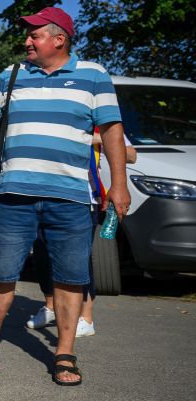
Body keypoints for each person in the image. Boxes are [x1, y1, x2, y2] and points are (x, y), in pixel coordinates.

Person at [0, 6, 130, 385]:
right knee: (1, 273)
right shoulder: (13, 74)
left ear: (59, 39)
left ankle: (64, 352)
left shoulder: (93, 75)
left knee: (71, 278)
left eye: (34, 35)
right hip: (14, 195)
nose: (27, 41)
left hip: (69, 198)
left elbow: (113, 131)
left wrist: (118, 183)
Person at [25, 131, 137, 338]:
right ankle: (50, 306)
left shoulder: (97, 123)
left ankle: (86, 317)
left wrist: (98, 139)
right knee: (41, 252)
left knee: (79, 258)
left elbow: (131, 154)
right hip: (46, 194)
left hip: (84, 199)